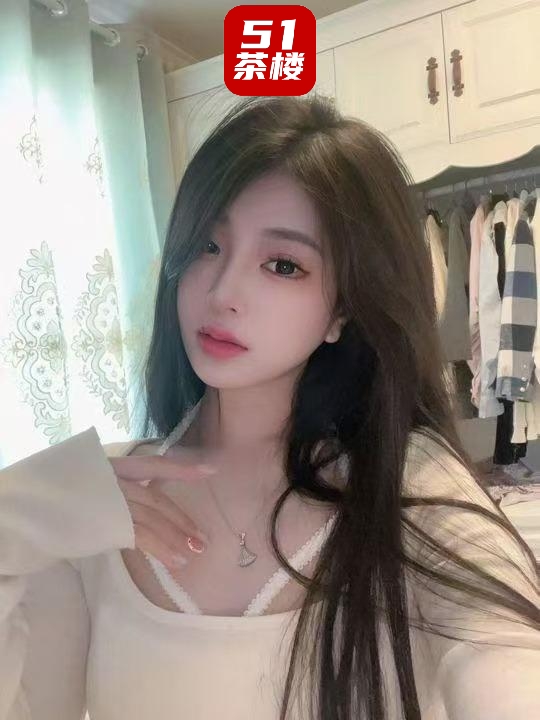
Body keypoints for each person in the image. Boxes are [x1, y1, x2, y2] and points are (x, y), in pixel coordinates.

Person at [0, 93, 538, 720]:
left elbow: (501, 653)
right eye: (207, 245)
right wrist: (12, 519)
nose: (223, 291)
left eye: (282, 265)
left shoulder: (405, 479)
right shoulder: (102, 501)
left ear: (343, 309)